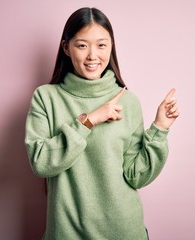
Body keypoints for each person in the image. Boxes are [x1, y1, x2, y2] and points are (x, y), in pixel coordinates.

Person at [25, 7, 179, 240]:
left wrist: (160, 129)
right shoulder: (46, 98)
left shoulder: (128, 100)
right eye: (82, 45)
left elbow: (135, 175)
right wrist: (88, 121)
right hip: (67, 233)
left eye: (101, 45)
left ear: (111, 47)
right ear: (67, 47)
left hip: (124, 231)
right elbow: (41, 163)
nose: (92, 56)